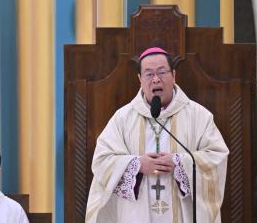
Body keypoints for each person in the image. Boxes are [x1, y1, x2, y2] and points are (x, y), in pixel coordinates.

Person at [85, 47, 229, 223]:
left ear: (174, 75)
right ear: (140, 80)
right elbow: (101, 161)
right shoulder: (122, 118)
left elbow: (217, 157)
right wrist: (136, 165)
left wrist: (179, 162)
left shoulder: (198, 116)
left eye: (162, 72)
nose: (155, 79)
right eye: (148, 74)